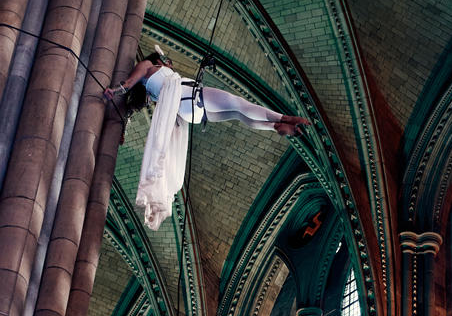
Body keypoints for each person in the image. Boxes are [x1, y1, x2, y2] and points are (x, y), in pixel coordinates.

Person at [104, 49, 309, 230]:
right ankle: (284, 119)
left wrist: (122, 128)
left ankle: (275, 126)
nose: (171, 64)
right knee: (239, 105)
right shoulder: (147, 66)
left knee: (239, 114)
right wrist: (115, 91)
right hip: (190, 97)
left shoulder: (151, 91)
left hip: (189, 111)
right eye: (168, 61)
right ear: (158, 60)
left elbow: (129, 110)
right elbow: (129, 83)